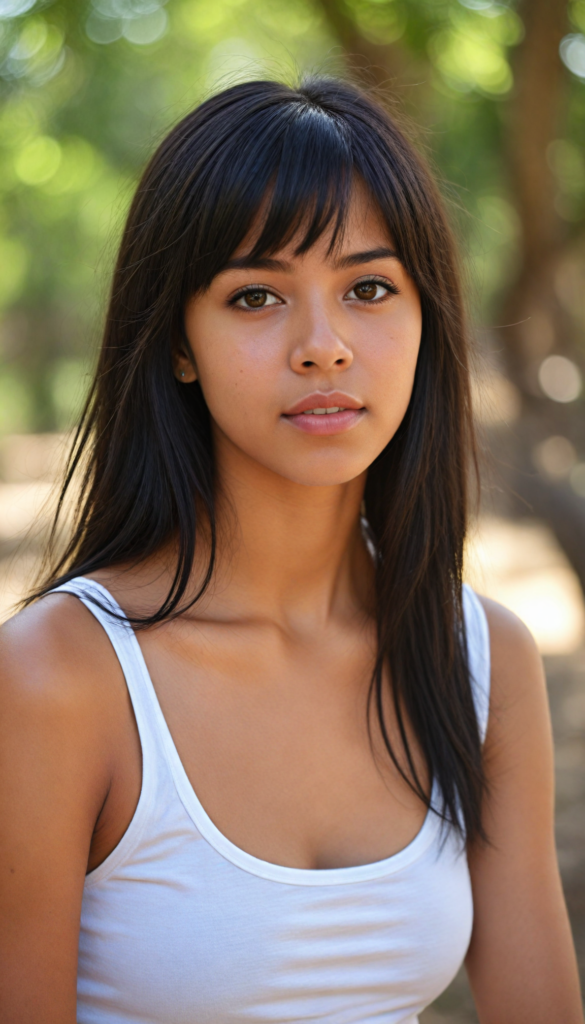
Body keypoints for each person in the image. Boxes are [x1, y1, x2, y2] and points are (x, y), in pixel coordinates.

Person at [0, 77, 582, 1024]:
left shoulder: (481, 659)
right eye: (256, 295)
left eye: (368, 288)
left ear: (426, 316)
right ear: (178, 342)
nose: (323, 346)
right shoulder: (58, 678)